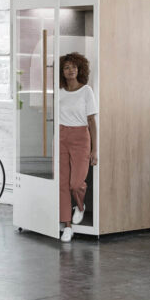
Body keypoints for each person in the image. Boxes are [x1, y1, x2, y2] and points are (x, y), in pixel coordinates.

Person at [58, 52, 98, 242]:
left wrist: (95, 149)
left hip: (81, 137)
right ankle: (68, 226)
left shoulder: (86, 91)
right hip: (61, 136)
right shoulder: (60, 92)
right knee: (63, 184)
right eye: (66, 67)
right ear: (62, 72)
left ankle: (80, 207)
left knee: (76, 183)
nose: (70, 70)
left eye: (73, 66)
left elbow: (92, 121)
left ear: (79, 69)